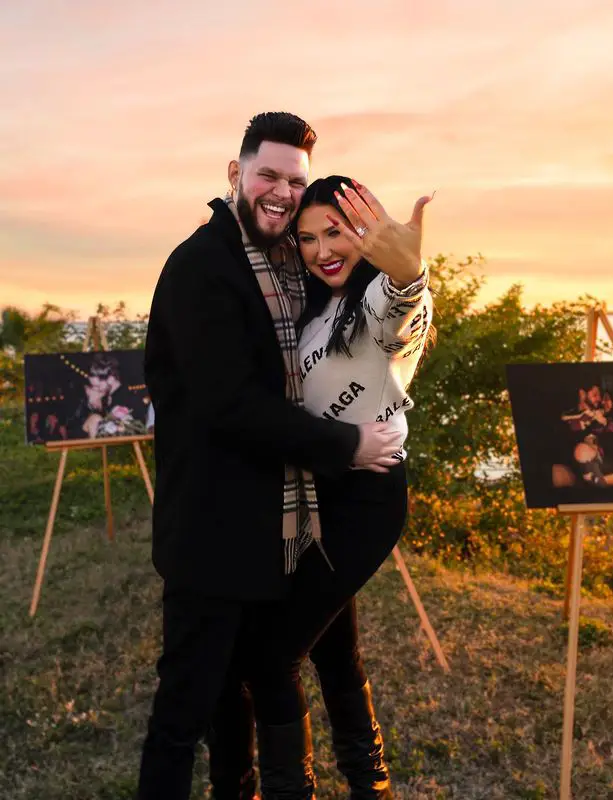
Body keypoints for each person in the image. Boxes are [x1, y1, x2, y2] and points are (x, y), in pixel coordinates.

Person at [137, 113, 412, 800]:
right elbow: (229, 403)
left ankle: (298, 785)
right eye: (269, 175)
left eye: (295, 180)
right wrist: (346, 443)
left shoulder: (288, 266)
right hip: (212, 524)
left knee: (280, 665)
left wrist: (406, 271)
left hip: (281, 517)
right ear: (236, 174)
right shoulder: (203, 268)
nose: (284, 193)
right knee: (191, 702)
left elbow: (389, 317)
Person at [207, 175, 435, 799]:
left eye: (335, 231)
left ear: (368, 230)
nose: (320, 248)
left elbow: (400, 311)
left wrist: (410, 275)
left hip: (364, 498)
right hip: (315, 493)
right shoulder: (319, 306)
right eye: (307, 237)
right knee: (335, 654)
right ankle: (372, 785)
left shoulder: (376, 304)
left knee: (268, 658)